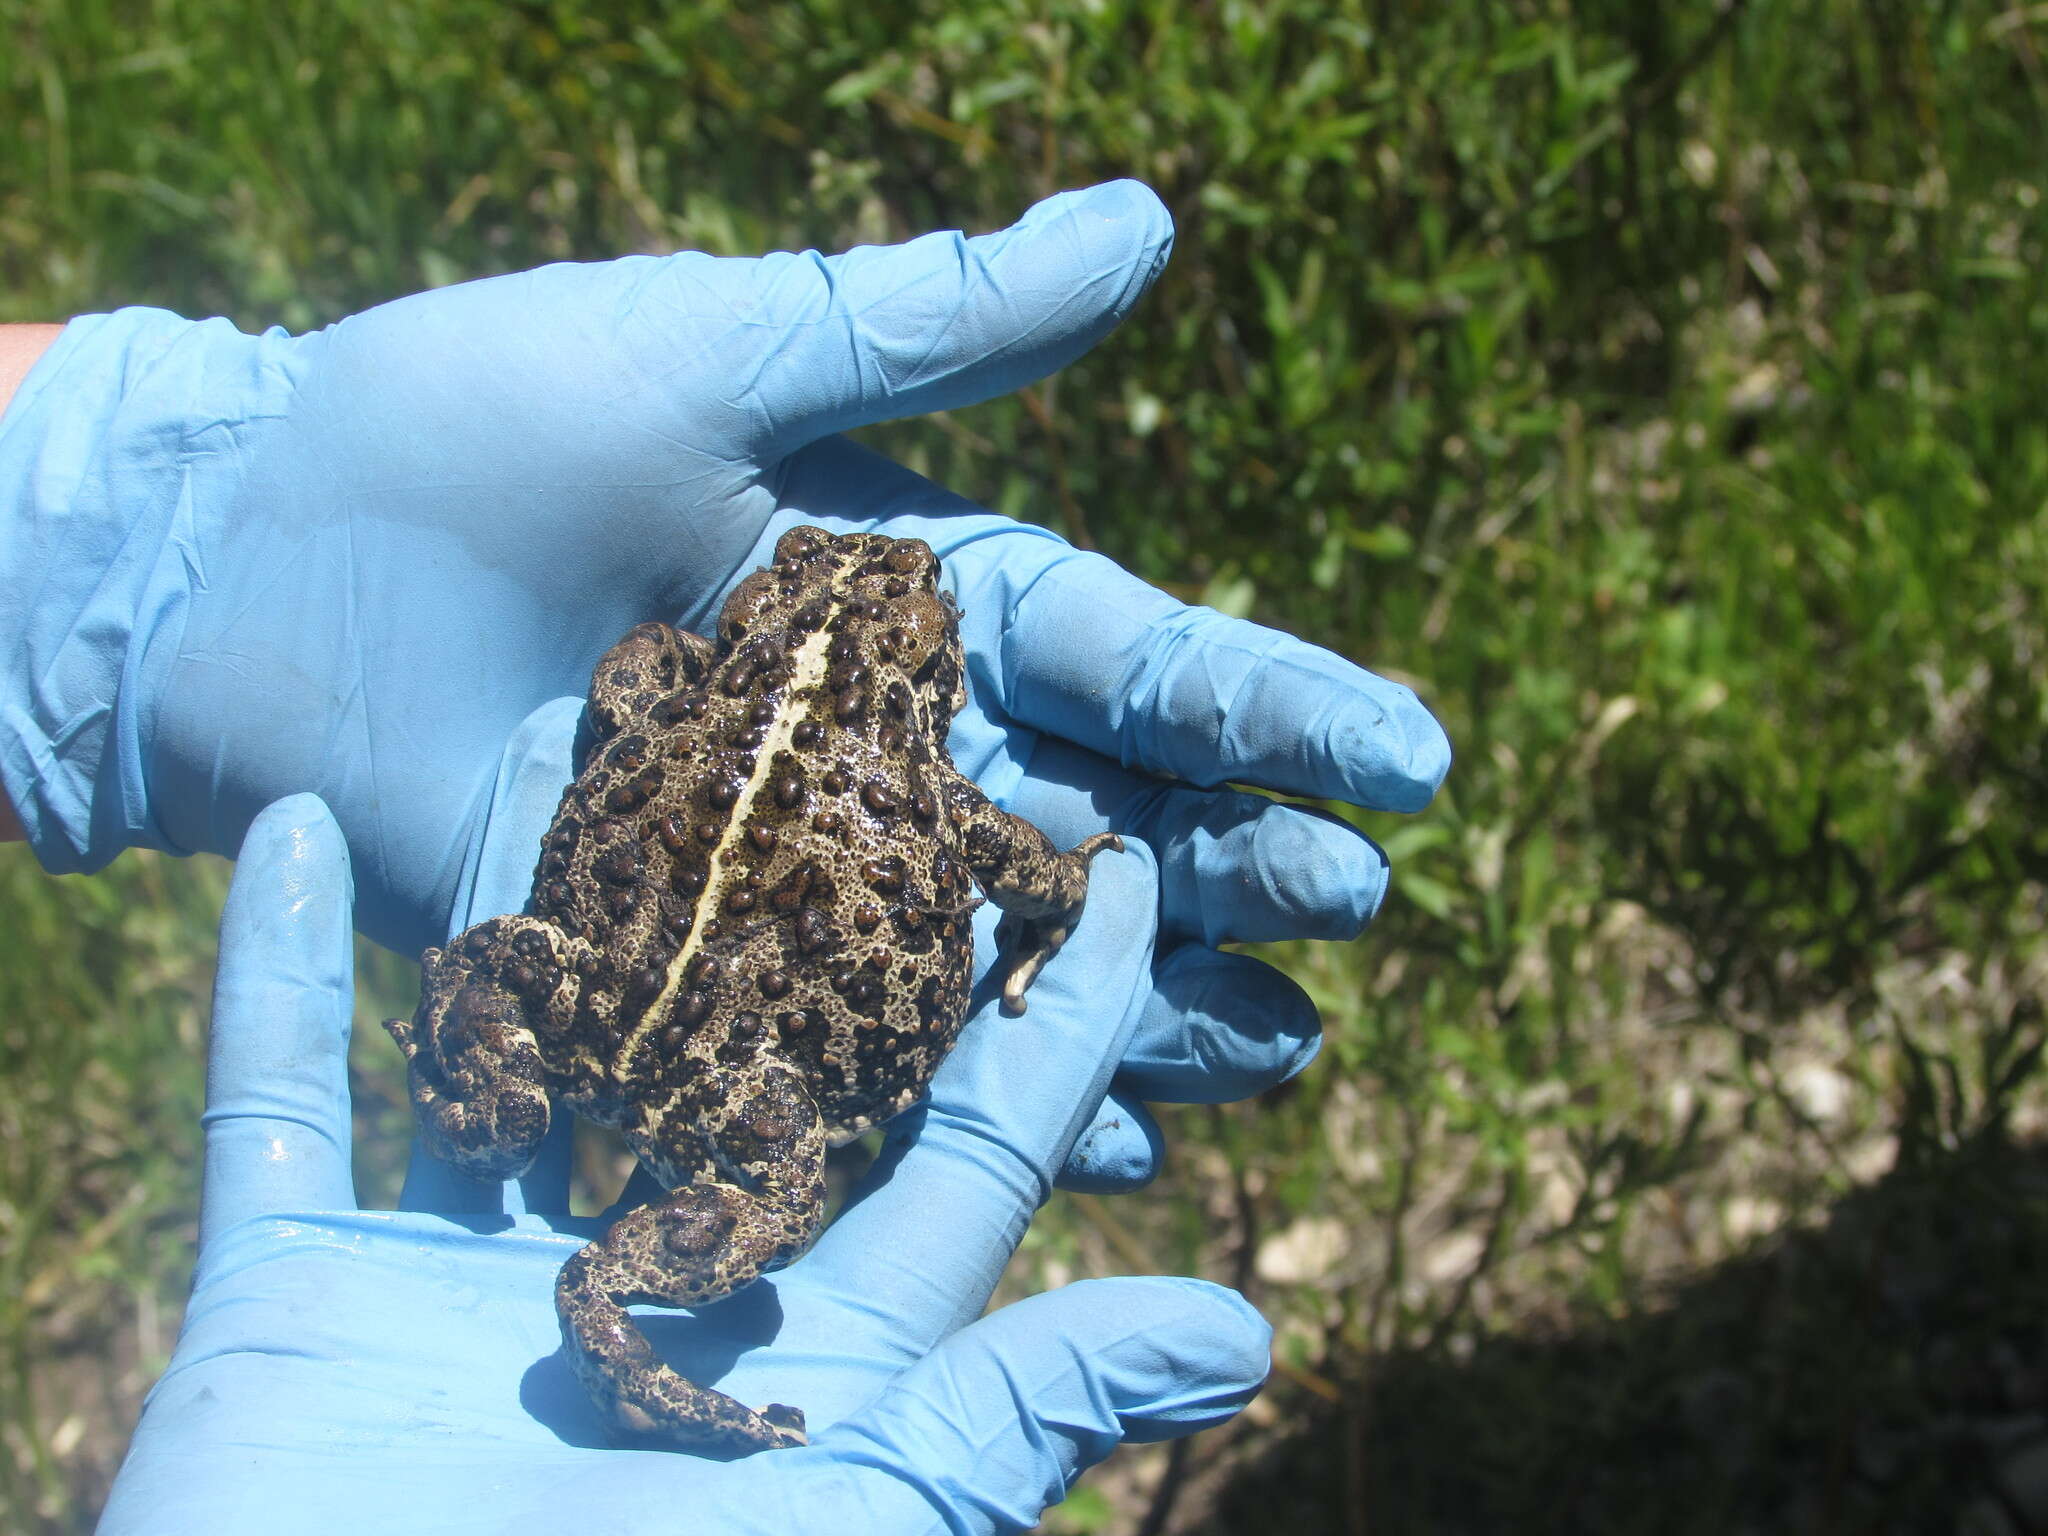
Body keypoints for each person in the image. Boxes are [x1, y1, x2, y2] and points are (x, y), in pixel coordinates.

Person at [0, 181, 1449, 1530]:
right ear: (933, 691)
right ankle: (612, 1315)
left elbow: (622, 687)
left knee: (501, 957)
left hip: (600, 983)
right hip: (743, 1087)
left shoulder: (680, 683)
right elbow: (1052, 875)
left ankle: (489, 1131)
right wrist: (1043, 927)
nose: (862, 574)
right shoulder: (930, 795)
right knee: (794, 1181)